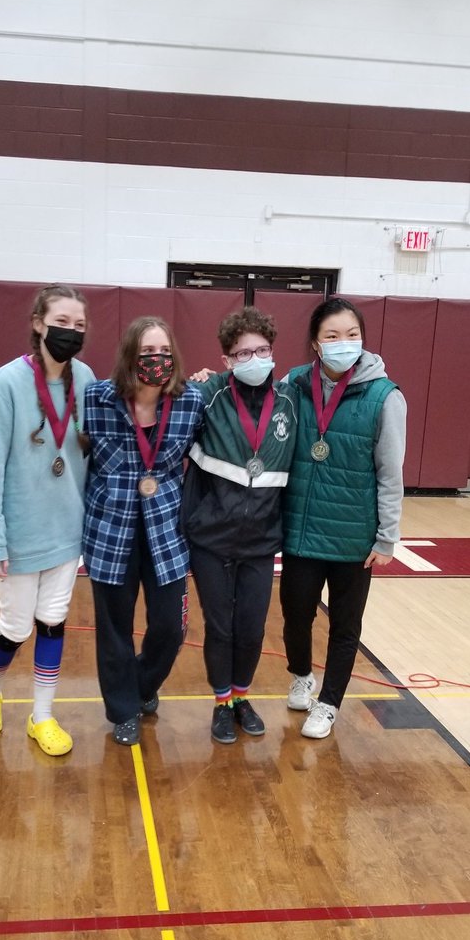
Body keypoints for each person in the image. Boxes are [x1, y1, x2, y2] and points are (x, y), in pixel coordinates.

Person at [0, 283, 95, 755]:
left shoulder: (86, 378)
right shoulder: (5, 384)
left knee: (53, 621)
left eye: (79, 325)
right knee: (16, 628)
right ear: (39, 324)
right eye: (62, 322)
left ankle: (42, 716)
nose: (71, 332)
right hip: (20, 534)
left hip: (67, 531)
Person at [280, 296, 407, 739]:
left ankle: (329, 703)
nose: (343, 343)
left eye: (352, 335)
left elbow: (391, 473)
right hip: (300, 528)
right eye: (332, 336)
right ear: (316, 342)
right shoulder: (293, 384)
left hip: (355, 536)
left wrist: (387, 537)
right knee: (295, 616)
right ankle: (301, 676)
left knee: (345, 625)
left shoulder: (384, 396)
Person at [82, 316, 204, 746]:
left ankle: (142, 683)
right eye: (148, 353)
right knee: (113, 628)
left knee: (171, 627)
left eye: (165, 353)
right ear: (131, 356)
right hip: (110, 530)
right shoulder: (96, 398)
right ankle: (122, 710)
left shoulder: (191, 401)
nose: (157, 361)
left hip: (166, 530)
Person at [183, 306, 298, 744]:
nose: (255, 359)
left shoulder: (290, 402)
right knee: (221, 627)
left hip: (261, 539)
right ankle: (219, 702)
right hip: (210, 537)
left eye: (263, 350)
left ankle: (241, 697)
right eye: (243, 353)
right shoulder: (206, 392)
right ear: (227, 359)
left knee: (251, 628)